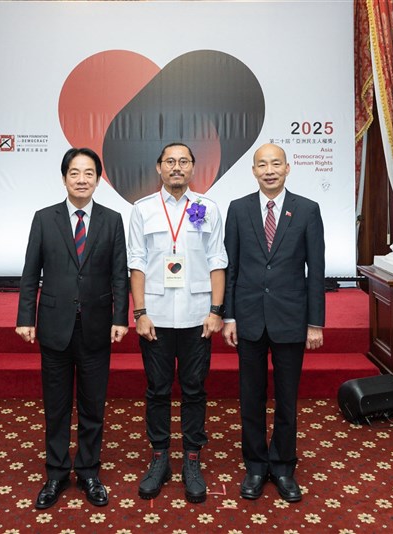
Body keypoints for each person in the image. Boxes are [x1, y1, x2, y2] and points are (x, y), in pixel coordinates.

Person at [16, 147, 129, 510]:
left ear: (98, 178)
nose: (82, 179)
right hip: (54, 326)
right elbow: (31, 273)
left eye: (89, 173)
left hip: (97, 326)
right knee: (57, 406)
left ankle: (89, 471)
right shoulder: (44, 218)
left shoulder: (112, 220)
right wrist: (24, 318)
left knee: (93, 405)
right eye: (75, 173)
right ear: (64, 177)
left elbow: (119, 276)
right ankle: (56, 473)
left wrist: (119, 318)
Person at [223, 143, 325, 502]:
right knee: (250, 397)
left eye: (275, 164)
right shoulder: (237, 209)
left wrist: (315, 322)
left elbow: (317, 271)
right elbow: (231, 267)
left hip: (291, 319)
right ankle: (254, 465)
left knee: (286, 399)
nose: (269, 170)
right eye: (262, 164)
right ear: (253, 170)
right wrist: (229, 315)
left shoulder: (308, 210)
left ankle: (282, 467)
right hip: (248, 318)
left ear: (287, 168)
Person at [127, 142, 228, 503]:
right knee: (156, 389)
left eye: (184, 161)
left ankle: (191, 460)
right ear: (158, 168)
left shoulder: (207, 209)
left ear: (192, 168)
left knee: (194, 389)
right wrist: (139, 313)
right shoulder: (143, 210)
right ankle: (159, 458)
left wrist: (216, 310)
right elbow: (136, 262)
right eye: (170, 161)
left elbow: (218, 260)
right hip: (154, 316)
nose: (176, 167)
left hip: (197, 316)